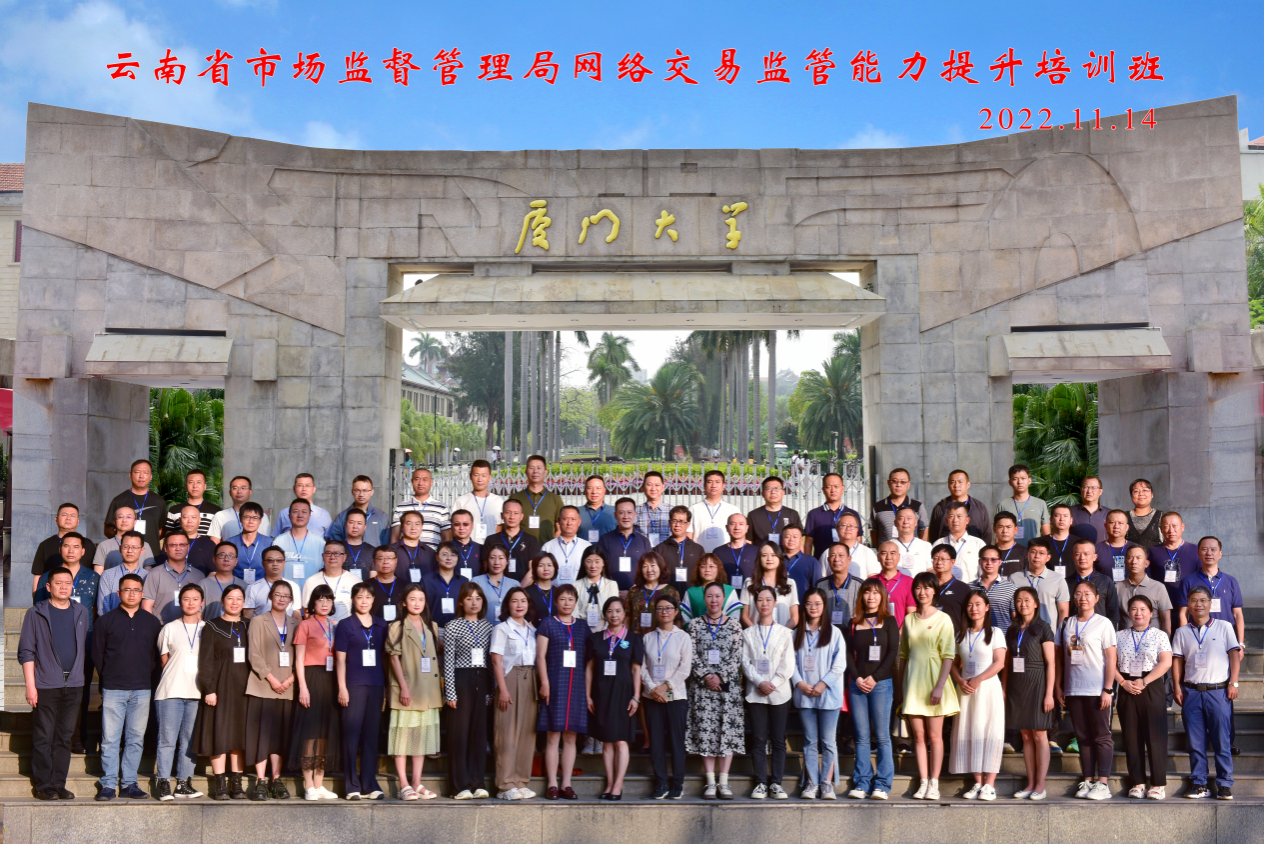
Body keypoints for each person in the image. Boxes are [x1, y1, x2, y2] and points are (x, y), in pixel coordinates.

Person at [19, 566, 90, 801]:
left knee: (64, 736)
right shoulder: (36, 613)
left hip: (74, 685)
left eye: (68, 583)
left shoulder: (81, 611)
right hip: (46, 684)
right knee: (44, 736)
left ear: (73, 586)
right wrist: (31, 686)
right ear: (49, 587)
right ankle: (43, 784)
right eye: (58, 583)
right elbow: (26, 652)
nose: (63, 587)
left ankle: (59, 783)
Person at [93, 571, 162, 801]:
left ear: (142, 594)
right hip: (114, 688)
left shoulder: (152, 622)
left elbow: (155, 656)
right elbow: (98, 654)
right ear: (118, 592)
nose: (131, 594)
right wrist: (108, 678)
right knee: (110, 739)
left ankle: (129, 783)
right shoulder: (105, 621)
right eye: (127, 589)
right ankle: (108, 784)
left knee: (135, 738)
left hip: (142, 688)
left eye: (136, 590)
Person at [1176, 535, 1245, 756]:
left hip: (1223, 642)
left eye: (1213, 549)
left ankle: (1227, 741)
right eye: (1204, 549)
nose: (1209, 553)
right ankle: (1198, 741)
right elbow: (1182, 613)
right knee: (1197, 692)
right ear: (1198, 553)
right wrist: (1185, 638)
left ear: (1220, 554)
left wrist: (1240, 643)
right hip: (1196, 641)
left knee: (1224, 691)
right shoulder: (1188, 580)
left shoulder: (1231, 581)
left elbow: (1238, 615)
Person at [32, 532, 100, 754]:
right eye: (67, 546)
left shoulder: (93, 577)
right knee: (50, 693)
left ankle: (77, 738)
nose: (71, 550)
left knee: (80, 693)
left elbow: (96, 609)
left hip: (84, 642)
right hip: (52, 645)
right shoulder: (48, 577)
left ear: (83, 551)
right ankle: (49, 738)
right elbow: (38, 609)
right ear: (60, 549)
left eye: (76, 546)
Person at [1173, 585, 1240, 800]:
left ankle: (1224, 784)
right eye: (1194, 600)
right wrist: (1177, 687)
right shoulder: (1182, 632)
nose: (1198, 604)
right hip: (1191, 692)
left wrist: (1234, 683)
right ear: (1188, 604)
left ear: (1211, 604)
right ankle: (1199, 783)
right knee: (1195, 742)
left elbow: (1234, 656)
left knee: (1222, 740)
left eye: (1203, 600)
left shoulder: (1224, 626)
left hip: (1218, 691)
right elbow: (1177, 661)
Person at [1055, 579, 1118, 800]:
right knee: (1082, 737)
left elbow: (1111, 658)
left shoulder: (1103, 623)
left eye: (1087, 594)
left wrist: (1108, 689)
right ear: (1074, 598)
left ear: (1096, 598)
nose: (1083, 598)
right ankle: (1088, 780)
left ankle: (1103, 783)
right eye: (1079, 594)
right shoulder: (1066, 623)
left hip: (1096, 689)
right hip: (1073, 688)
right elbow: (1059, 658)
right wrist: (1058, 686)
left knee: (1101, 736)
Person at [899, 572, 959, 800]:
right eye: (918, 588)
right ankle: (923, 781)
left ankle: (934, 782)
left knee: (935, 736)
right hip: (913, 682)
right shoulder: (909, 619)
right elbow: (903, 655)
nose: (922, 592)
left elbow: (948, 655)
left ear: (935, 590)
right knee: (918, 736)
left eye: (927, 588)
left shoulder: (943, 619)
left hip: (935, 680)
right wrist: (901, 687)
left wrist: (940, 686)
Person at [685, 584, 743, 800]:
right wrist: (706, 676)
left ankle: (724, 782)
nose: (714, 600)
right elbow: (691, 654)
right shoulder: (694, 624)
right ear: (704, 599)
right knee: (706, 732)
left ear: (724, 598)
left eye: (718, 596)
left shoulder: (735, 625)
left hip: (728, 690)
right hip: (702, 688)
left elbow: (737, 655)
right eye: (709, 596)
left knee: (726, 731)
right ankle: (710, 782)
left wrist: (720, 676)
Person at [844, 577, 900, 800]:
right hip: (857, 685)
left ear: (882, 596)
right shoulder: (854, 622)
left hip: (881, 684)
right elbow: (848, 654)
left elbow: (892, 653)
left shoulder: (889, 621)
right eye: (867, 592)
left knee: (883, 736)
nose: (871, 597)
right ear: (862, 596)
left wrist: (874, 678)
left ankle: (883, 784)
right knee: (861, 737)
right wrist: (857, 678)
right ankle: (862, 782)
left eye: (876, 593)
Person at [948, 590, 1007, 800]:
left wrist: (979, 679)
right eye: (970, 605)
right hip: (966, 690)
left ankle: (990, 784)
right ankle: (978, 782)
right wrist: (960, 680)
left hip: (988, 688)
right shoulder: (960, 635)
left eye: (978, 604)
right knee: (970, 731)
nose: (974, 609)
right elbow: (952, 664)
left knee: (990, 731)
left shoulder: (996, 633)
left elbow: (999, 662)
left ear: (987, 607)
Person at [194, 583, 250, 800]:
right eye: (230, 598)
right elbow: (205, 661)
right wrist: (209, 689)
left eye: (239, 599)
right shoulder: (212, 626)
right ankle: (220, 783)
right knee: (219, 732)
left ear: (244, 602)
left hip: (245, 688)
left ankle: (236, 782)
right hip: (220, 685)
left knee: (239, 735)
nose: (235, 602)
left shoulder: (249, 625)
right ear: (222, 601)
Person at [536, 583, 591, 799]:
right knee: (553, 737)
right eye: (562, 599)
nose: (567, 603)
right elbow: (540, 656)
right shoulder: (548, 623)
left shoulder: (583, 626)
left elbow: (588, 660)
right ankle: (552, 784)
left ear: (576, 602)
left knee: (571, 738)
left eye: (571, 599)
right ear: (555, 602)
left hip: (576, 685)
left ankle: (566, 784)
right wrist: (544, 682)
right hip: (555, 683)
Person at [244, 580, 298, 800]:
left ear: (291, 600)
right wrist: (273, 679)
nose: (282, 598)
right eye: (278, 594)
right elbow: (254, 654)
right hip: (263, 685)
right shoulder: (258, 621)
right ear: (270, 597)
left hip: (288, 687)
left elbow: (301, 657)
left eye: (286, 595)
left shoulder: (296, 624)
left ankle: (276, 779)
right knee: (262, 736)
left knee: (279, 736)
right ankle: (261, 780)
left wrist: (290, 680)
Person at [586, 595, 644, 800]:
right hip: (601, 694)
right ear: (605, 615)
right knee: (607, 742)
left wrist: (636, 697)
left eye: (618, 611)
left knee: (620, 741)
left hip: (624, 695)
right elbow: (589, 669)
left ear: (624, 614)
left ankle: (618, 784)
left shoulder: (634, 639)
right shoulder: (595, 639)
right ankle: (609, 783)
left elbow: (636, 670)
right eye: (610, 611)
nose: (614, 615)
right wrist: (588, 696)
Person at [335, 582, 389, 800]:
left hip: (376, 685)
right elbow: (340, 660)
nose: (364, 601)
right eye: (360, 597)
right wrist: (342, 687)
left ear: (374, 600)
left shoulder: (382, 625)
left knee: (371, 735)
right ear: (353, 600)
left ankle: (369, 783)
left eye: (368, 597)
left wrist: (386, 689)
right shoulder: (345, 625)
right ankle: (351, 786)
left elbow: (386, 659)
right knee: (351, 735)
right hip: (353, 685)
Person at [792, 588, 847, 799]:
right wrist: (799, 683)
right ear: (804, 606)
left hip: (828, 695)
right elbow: (790, 663)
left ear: (824, 606)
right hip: (804, 694)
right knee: (809, 741)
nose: (813, 607)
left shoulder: (834, 633)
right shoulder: (796, 633)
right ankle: (812, 783)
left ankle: (826, 783)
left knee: (828, 741)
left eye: (817, 603)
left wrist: (823, 684)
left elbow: (839, 665)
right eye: (809, 603)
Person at [742, 585, 795, 799]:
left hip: (780, 693)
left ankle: (776, 784)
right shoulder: (747, 633)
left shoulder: (785, 633)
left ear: (775, 603)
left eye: (768, 599)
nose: (764, 603)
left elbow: (788, 664)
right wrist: (759, 682)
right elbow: (745, 662)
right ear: (755, 604)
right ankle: (761, 783)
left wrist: (772, 683)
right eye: (760, 600)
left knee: (778, 739)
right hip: (755, 693)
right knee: (758, 739)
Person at [1117, 595, 1173, 799]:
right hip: (1126, 686)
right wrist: (1122, 682)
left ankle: (1158, 784)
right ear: (1128, 612)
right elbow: (1109, 663)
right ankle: (1138, 782)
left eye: (1143, 609)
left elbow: (1166, 662)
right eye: (1134, 609)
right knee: (1131, 737)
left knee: (1155, 737)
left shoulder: (1159, 635)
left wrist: (1145, 681)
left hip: (1151, 685)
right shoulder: (1119, 635)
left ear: (1151, 613)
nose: (1138, 613)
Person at [154, 584, 206, 800]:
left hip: (197, 693)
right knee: (167, 739)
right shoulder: (169, 628)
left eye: (195, 599)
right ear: (180, 601)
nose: (191, 603)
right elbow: (164, 661)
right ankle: (163, 782)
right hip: (171, 691)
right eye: (186, 599)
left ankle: (184, 783)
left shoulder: (207, 629)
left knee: (189, 740)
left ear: (202, 602)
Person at [444, 583, 496, 800]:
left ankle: (477, 782)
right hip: (461, 679)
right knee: (460, 734)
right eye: (469, 598)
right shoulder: (453, 626)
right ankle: (460, 786)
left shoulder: (489, 627)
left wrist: (490, 691)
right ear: (461, 602)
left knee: (478, 734)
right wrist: (450, 692)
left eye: (478, 598)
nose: (474, 602)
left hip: (481, 680)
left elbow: (490, 662)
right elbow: (448, 660)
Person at [290, 585, 342, 801]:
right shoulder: (305, 625)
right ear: (313, 603)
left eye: (328, 600)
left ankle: (319, 784)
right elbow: (298, 660)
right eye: (320, 599)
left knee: (324, 734)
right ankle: (308, 785)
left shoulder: (336, 625)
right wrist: (303, 687)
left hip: (331, 680)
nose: (324, 603)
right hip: (312, 678)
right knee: (309, 733)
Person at [1004, 586, 1056, 800]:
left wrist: (1049, 694)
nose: (1023, 604)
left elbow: (1051, 663)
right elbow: (1007, 662)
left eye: (1027, 600)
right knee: (1025, 735)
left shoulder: (1043, 627)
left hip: (1038, 683)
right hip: (1017, 685)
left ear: (1035, 604)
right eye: (1019, 600)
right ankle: (1030, 783)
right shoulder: (1012, 629)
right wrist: (1004, 688)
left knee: (1039, 734)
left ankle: (1040, 785)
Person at [641, 592, 693, 800]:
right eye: (660, 608)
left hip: (676, 697)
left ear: (676, 612)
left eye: (668, 608)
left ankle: (677, 783)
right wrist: (653, 688)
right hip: (651, 697)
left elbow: (685, 668)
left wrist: (665, 687)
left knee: (676, 741)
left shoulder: (683, 637)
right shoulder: (647, 637)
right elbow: (642, 668)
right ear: (656, 612)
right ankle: (661, 783)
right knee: (656, 742)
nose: (664, 612)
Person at [490, 587, 539, 801]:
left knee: (527, 733)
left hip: (531, 677)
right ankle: (505, 784)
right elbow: (496, 661)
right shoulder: (501, 629)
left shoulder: (533, 629)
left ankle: (520, 781)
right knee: (507, 732)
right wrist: (502, 689)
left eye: (523, 601)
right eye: (514, 601)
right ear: (507, 605)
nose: (519, 605)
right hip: (510, 678)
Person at [1149, 511, 1201, 627]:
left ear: (1182, 527)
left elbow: (1202, 578)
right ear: (1161, 529)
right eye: (1166, 526)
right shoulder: (1153, 551)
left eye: (1174, 526)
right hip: (1161, 606)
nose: (1171, 530)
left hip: (1188, 606)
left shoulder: (1195, 550)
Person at [103, 458, 166, 555]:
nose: (141, 476)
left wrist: (150, 538)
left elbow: (162, 529)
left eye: (146, 472)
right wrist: (125, 540)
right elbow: (108, 529)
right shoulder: (119, 500)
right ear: (130, 475)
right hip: (127, 554)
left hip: (152, 555)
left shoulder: (159, 501)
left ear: (150, 477)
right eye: (137, 472)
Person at [1009, 537, 1070, 630]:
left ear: (1048, 557)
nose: (1037, 556)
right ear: (1027, 554)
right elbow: (1012, 609)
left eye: (1041, 553)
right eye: (1033, 552)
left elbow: (1063, 610)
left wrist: (1060, 634)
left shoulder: (1058, 579)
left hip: (1049, 633)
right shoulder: (1014, 578)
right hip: (1022, 633)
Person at [595, 497, 653, 591]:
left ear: (635, 514)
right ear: (615, 515)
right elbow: (598, 568)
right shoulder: (605, 540)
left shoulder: (644, 541)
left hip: (637, 593)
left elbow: (649, 570)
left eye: (629, 512)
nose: (626, 516)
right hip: (610, 592)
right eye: (621, 512)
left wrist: (634, 591)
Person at [33, 503, 97, 587]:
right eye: (64, 515)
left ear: (78, 521)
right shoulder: (45, 545)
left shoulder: (88, 544)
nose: (68, 518)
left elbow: (94, 572)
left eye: (72, 515)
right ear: (56, 519)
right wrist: (37, 594)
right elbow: (38, 576)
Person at [141, 532, 198, 624]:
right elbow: (146, 607)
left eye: (182, 545)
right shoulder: (154, 574)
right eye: (173, 545)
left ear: (188, 547)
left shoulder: (198, 575)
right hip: (161, 627)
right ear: (165, 548)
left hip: (191, 628)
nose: (178, 548)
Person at [740, 542, 799, 629]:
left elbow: (795, 617)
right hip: (756, 634)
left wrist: (783, 633)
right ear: (759, 559)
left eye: (773, 555)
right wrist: (755, 633)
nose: (769, 559)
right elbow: (744, 616)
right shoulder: (749, 583)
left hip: (782, 634)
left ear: (779, 558)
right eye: (764, 555)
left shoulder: (790, 584)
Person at [803, 473, 862, 559]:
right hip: (821, 562)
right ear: (823, 490)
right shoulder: (813, 514)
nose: (833, 490)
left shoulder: (853, 515)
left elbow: (859, 540)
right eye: (828, 487)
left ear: (842, 489)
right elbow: (808, 544)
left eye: (836, 486)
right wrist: (809, 563)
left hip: (847, 563)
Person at [927, 469, 993, 545]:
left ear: (968, 485)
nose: (956, 485)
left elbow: (987, 534)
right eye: (952, 482)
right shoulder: (940, 508)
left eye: (960, 482)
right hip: (947, 549)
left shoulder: (979, 507)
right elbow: (933, 534)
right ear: (948, 485)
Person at [303, 539, 362, 622]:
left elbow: (360, 609)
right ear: (323, 556)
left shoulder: (355, 581)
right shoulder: (311, 581)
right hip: (320, 628)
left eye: (337, 553)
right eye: (328, 553)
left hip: (346, 628)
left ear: (344, 557)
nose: (332, 557)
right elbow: (306, 611)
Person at [1118, 545, 1173, 635]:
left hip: (1153, 640)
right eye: (1130, 557)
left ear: (1146, 563)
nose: (1134, 562)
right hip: (1125, 641)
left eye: (1138, 558)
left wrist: (1165, 641)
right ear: (1126, 562)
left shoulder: (1158, 587)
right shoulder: (1118, 588)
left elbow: (1166, 620)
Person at [481, 498, 541, 578]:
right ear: (502, 515)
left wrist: (519, 586)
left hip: (524, 585)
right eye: (508, 513)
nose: (512, 517)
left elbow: (532, 571)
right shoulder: (491, 540)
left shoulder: (532, 541)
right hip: (497, 585)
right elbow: (486, 569)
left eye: (516, 513)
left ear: (521, 516)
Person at [1068, 538, 1122, 627]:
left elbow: (1113, 613)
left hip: (1099, 631)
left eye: (1086, 554)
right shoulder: (1066, 582)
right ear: (1073, 557)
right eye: (1078, 554)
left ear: (1094, 557)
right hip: (1074, 630)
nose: (1082, 558)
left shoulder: (1105, 581)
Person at [508, 455, 562, 542]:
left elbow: (560, 527)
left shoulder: (555, 499)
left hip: (546, 548)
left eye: (539, 468)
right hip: (521, 547)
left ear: (545, 472)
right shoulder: (515, 498)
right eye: (531, 468)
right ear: (526, 472)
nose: (535, 471)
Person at [870, 467, 929, 546]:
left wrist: (920, 549)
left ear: (908, 484)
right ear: (888, 483)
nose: (898, 485)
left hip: (912, 551)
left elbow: (923, 530)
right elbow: (874, 533)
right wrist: (882, 550)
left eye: (903, 482)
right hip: (888, 553)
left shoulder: (918, 506)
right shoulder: (877, 507)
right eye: (894, 481)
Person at [96, 529, 150, 616]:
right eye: (126, 547)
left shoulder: (148, 576)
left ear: (142, 550)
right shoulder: (108, 575)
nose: (130, 551)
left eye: (135, 547)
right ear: (120, 548)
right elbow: (103, 607)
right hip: (112, 623)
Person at [655, 505, 705, 594]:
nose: (677, 525)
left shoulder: (698, 550)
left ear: (688, 524)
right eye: (674, 521)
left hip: (692, 597)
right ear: (669, 522)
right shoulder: (659, 549)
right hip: (667, 598)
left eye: (681, 521)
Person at [680, 552, 742, 624]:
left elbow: (734, 616)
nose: (707, 570)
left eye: (711, 566)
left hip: (725, 630)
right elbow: (685, 619)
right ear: (698, 569)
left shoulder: (729, 590)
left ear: (718, 569)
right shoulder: (691, 592)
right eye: (703, 566)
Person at [329, 474, 390, 547]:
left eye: (365, 490)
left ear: (372, 492)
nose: (361, 494)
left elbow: (386, 544)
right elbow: (335, 544)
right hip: (349, 554)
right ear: (352, 492)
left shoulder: (381, 516)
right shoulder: (342, 517)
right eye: (357, 490)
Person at [932, 502, 987, 582]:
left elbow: (984, 573)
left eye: (959, 516)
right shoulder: (939, 544)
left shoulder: (978, 544)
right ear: (947, 521)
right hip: (944, 588)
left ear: (967, 520)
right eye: (951, 516)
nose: (955, 520)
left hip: (970, 588)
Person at [628, 552, 681, 635]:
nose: (649, 570)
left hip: (663, 638)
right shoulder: (634, 591)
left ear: (660, 567)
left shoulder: (671, 592)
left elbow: (678, 619)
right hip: (636, 638)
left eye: (653, 565)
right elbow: (627, 616)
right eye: (645, 566)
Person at [995, 464, 1051, 543]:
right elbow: (998, 534)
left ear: (1029, 481)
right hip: (1010, 549)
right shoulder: (1003, 505)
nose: (1019, 482)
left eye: (1023, 478)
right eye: (1015, 479)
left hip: (1033, 549)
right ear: (1010, 482)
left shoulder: (1040, 504)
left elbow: (1046, 535)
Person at [453, 459, 505, 544]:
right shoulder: (461, 501)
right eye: (476, 475)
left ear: (489, 477)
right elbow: (454, 530)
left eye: (484, 475)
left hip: (490, 548)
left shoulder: (498, 501)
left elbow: (499, 528)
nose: (480, 479)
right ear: (470, 476)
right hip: (468, 549)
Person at [688, 469, 741, 552]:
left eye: (717, 482)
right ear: (704, 485)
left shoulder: (733, 510)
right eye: (710, 482)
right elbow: (689, 536)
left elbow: (739, 536)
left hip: (726, 555)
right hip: (700, 556)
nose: (713, 485)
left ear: (723, 486)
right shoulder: (693, 509)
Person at [243, 546, 301, 621]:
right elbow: (248, 618)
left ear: (284, 563)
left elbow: (296, 616)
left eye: (279, 560)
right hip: (261, 627)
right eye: (270, 560)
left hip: (287, 627)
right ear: (263, 563)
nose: (275, 564)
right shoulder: (253, 588)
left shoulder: (293, 586)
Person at [207, 475, 272, 542]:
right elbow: (214, 544)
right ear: (230, 492)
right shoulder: (220, 516)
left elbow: (266, 542)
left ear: (250, 492)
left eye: (243, 488)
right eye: (235, 488)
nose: (239, 491)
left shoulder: (262, 516)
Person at [275, 499, 325, 584]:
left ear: (309, 516)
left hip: (312, 590)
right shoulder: (279, 541)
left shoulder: (320, 542)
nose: (300, 515)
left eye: (304, 512)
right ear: (289, 516)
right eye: (295, 512)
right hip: (285, 590)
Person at [422, 541, 469, 630]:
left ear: (457, 558)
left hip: (459, 630)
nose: (449, 558)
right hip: (433, 629)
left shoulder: (464, 581)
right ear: (437, 557)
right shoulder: (427, 580)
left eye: (453, 555)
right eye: (444, 554)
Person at [472, 542, 522, 625]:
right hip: (482, 629)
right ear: (487, 560)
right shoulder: (477, 582)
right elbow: (472, 608)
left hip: (509, 630)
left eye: (501, 558)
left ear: (507, 561)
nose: (496, 562)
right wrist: (486, 627)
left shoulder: (515, 584)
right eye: (492, 558)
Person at [91, 505, 151, 573]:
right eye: (120, 517)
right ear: (114, 522)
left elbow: (148, 573)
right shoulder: (104, 546)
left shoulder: (145, 545)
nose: (124, 520)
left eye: (129, 517)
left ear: (135, 522)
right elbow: (98, 574)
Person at [815, 543, 862, 628]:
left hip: (851, 633)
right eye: (833, 555)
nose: (836, 559)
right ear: (828, 560)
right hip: (827, 632)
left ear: (849, 559)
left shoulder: (859, 585)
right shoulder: (820, 585)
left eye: (841, 555)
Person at [972, 545, 1016, 635]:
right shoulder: (969, 587)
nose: (989, 563)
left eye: (993, 560)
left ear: (1000, 562)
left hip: (1003, 639)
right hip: (975, 638)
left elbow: (1016, 620)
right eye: (985, 559)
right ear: (979, 561)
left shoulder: (1012, 589)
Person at [273, 472, 334, 538]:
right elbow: (276, 538)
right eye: (300, 485)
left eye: (308, 485)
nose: (304, 489)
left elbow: (329, 539)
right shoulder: (284, 514)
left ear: (314, 489)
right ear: (294, 489)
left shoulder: (323, 514)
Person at [541, 505, 591, 584]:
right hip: (554, 590)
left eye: (573, 519)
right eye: (565, 519)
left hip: (579, 590)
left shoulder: (587, 546)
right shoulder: (548, 547)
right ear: (559, 521)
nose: (569, 523)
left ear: (579, 522)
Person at [747, 476, 803, 545]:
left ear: (783, 493)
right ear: (763, 494)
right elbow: (748, 541)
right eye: (768, 489)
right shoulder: (753, 515)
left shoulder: (792, 514)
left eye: (777, 489)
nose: (773, 492)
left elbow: (800, 541)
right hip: (761, 552)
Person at [574, 546, 619, 632]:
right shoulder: (575, 585)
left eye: (597, 561)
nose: (593, 566)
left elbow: (613, 612)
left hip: (605, 630)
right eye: (589, 561)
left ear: (603, 563)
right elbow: (574, 613)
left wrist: (605, 632)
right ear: (583, 563)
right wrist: (580, 631)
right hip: (580, 629)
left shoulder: (611, 585)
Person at [929, 544, 971, 636]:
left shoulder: (963, 588)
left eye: (943, 559)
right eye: (936, 558)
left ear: (952, 562)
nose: (939, 562)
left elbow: (968, 616)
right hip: (929, 636)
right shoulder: (927, 586)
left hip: (954, 637)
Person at [163, 469, 218, 537]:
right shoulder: (174, 510)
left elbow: (217, 538)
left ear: (205, 486)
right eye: (191, 482)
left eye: (199, 482)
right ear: (186, 486)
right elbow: (168, 536)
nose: (195, 486)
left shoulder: (215, 511)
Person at [875, 541, 917, 627]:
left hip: (900, 632)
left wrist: (901, 632)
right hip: (876, 631)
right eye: (884, 553)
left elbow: (911, 613)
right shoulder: (872, 581)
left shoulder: (909, 582)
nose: (888, 557)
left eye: (893, 553)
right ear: (878, 557)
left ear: (898, 557)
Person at [228, 502, 272, 584]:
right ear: (240, 518)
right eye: (247, 517)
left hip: (262, 587)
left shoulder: (269, 543)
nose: (251, 521)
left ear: (260, 521)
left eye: (255, 518)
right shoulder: (230, 543)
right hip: (236, 587)